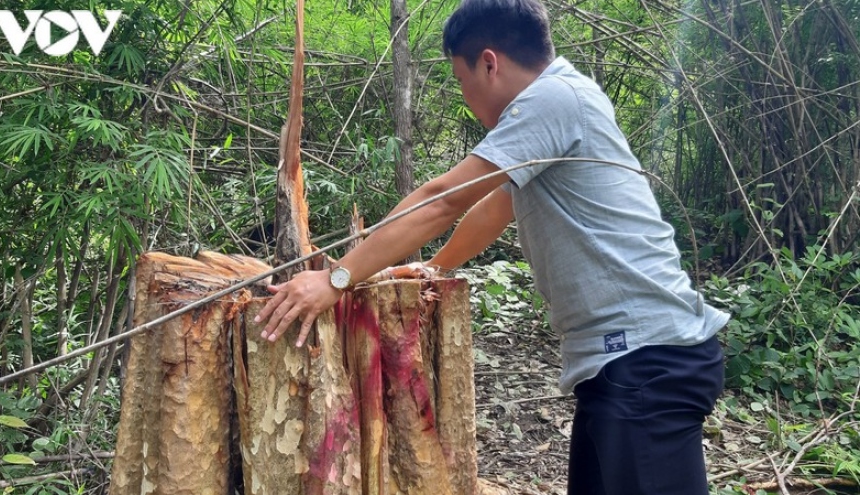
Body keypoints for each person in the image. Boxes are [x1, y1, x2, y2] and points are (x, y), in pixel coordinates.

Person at [254, 0, 729, 492]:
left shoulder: (553, 99)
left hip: (647, 363)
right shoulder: (559, 106)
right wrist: (435, 267)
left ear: (489, 62)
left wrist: (336, 279)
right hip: (621, 367)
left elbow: (443, 200)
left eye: (462, 81)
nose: (466, 96)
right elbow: (494, 208)